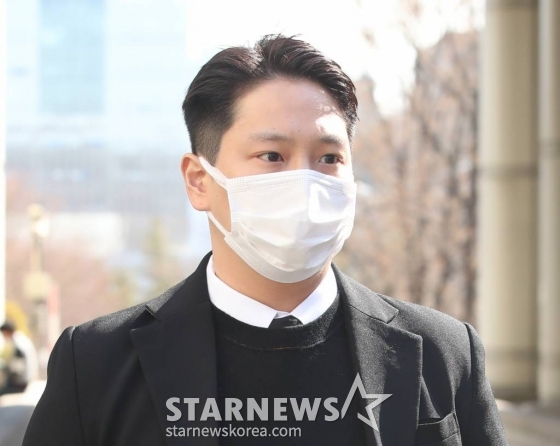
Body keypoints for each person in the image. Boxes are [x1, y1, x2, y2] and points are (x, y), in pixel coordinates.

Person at [23, 35, 509, 445]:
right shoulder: (97, 363)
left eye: (329, 158)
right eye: (272, 156)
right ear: (198, 180)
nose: (306, 180)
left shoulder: (444, 353)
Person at [0, 321, 38, 396]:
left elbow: (18, 366)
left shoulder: (19, 343)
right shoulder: (19, 339)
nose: (4, 336)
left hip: (22, 382)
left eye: (4, 334)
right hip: (24, 379)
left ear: (7, 331)